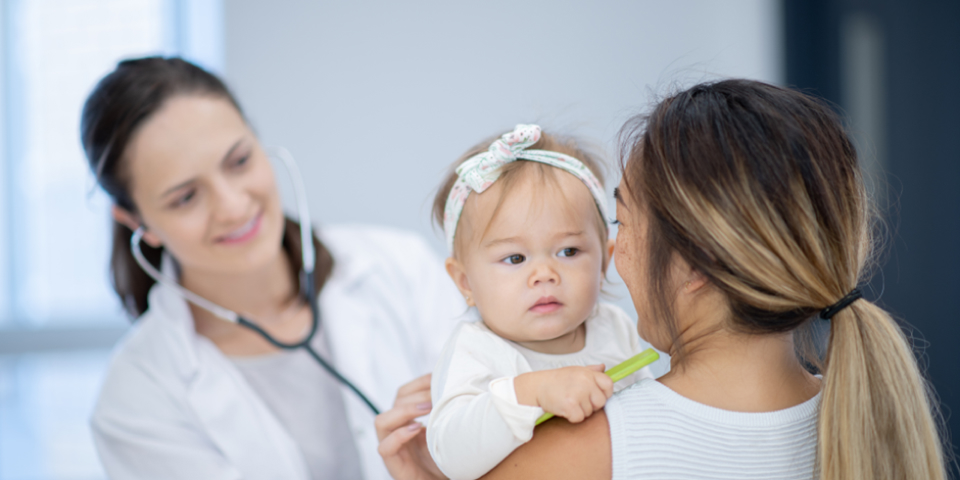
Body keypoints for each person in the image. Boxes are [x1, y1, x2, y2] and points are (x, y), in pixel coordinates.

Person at [377, 79, 949, 480]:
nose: (615, 254)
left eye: (620, 223)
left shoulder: (576, 457)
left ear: (695, 264)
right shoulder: (866, 418)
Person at [82, 56, 464, 480]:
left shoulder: (400, 268)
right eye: (186, 197)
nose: (232, 206)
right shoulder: (136, 400)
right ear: (137, 223)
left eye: (239, 161)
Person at [425, 125, 654, 480]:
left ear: (605, 261)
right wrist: (532, 391)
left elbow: (651, 418)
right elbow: (450, 453)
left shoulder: (613, 326)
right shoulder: (475, 350)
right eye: (515, 259)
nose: (544, 274)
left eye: (568, 251)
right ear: (465, 282)